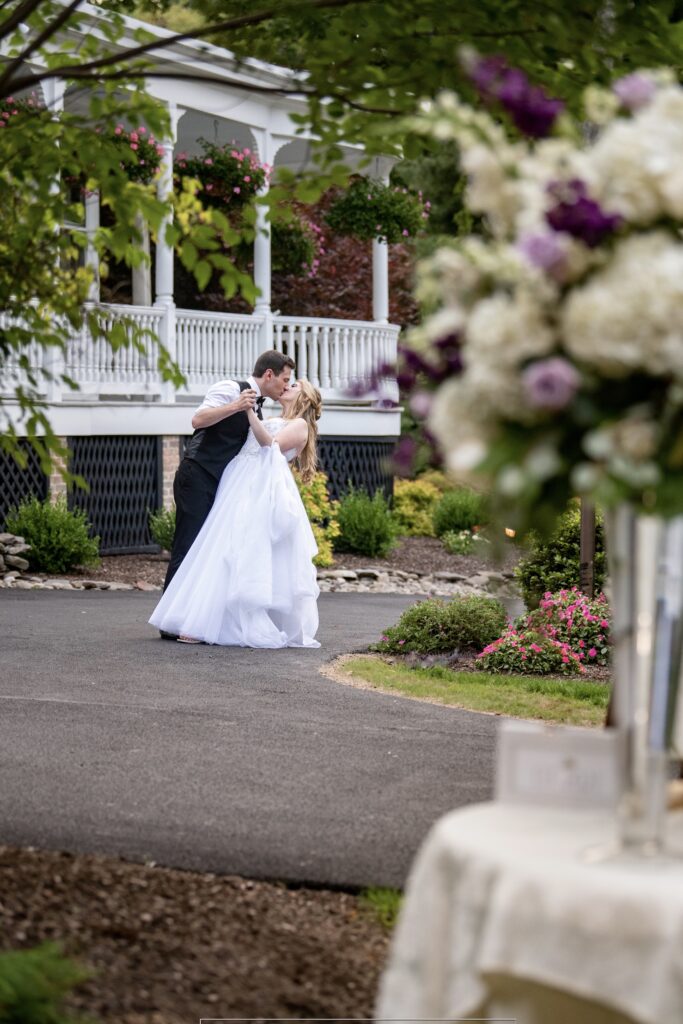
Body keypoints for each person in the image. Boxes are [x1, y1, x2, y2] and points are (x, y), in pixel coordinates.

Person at [149, 379, 322, 648]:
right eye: (287, 380)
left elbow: (269, 445)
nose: (288, 385)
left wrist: (249, 411)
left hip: (260, 491)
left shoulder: (300, 426)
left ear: (305, 397)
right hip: (237, 483)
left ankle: (227, 621)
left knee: (242, 552)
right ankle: (202, 618)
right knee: (220, 551)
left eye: (295, 384)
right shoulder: (273, 415)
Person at [160, 350, 295, 639]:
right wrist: (235, 405)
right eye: (284, 380)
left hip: (222, 486)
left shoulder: (257, 408)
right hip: (197, 475)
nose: (285, 386)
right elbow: (198, 420)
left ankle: (193, 618)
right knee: (187, 546)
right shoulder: (230, 388)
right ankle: (169, 623)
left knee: (206, 552)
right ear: (268, 375)